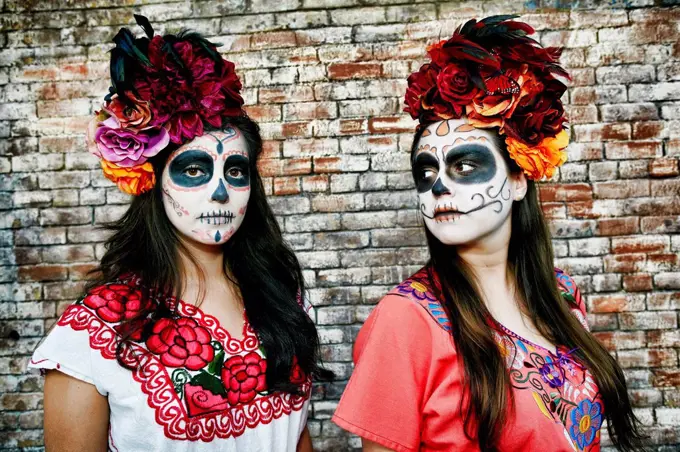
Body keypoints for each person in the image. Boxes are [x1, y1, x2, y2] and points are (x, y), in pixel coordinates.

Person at [332, 16, 645, 452]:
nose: (439, 186)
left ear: (519, 179)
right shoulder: (405, 319)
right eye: (426, 172)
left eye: (464, 165)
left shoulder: (562, 293)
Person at [29, 15, 329, 452]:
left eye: (236, 170)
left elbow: (296, 437)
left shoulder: (285, 298)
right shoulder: (90, 335)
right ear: (153, 181)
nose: (221, 192)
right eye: (193, 169)